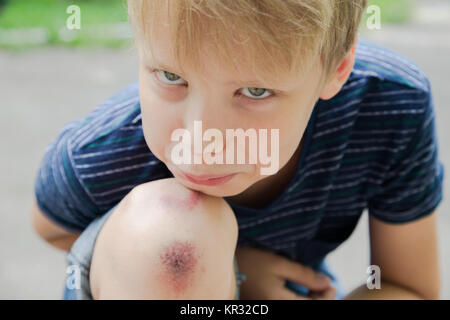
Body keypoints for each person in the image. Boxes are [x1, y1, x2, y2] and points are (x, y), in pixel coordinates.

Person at [32, 0, 444, 300]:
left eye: (255, 91)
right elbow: (50, 224)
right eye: (171, 76)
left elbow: (407, 286)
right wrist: (232, 272)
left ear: (336, 67)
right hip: (149, 282)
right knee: (176, 246)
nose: (200, 144)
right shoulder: (107, 146)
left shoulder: (390, 103)